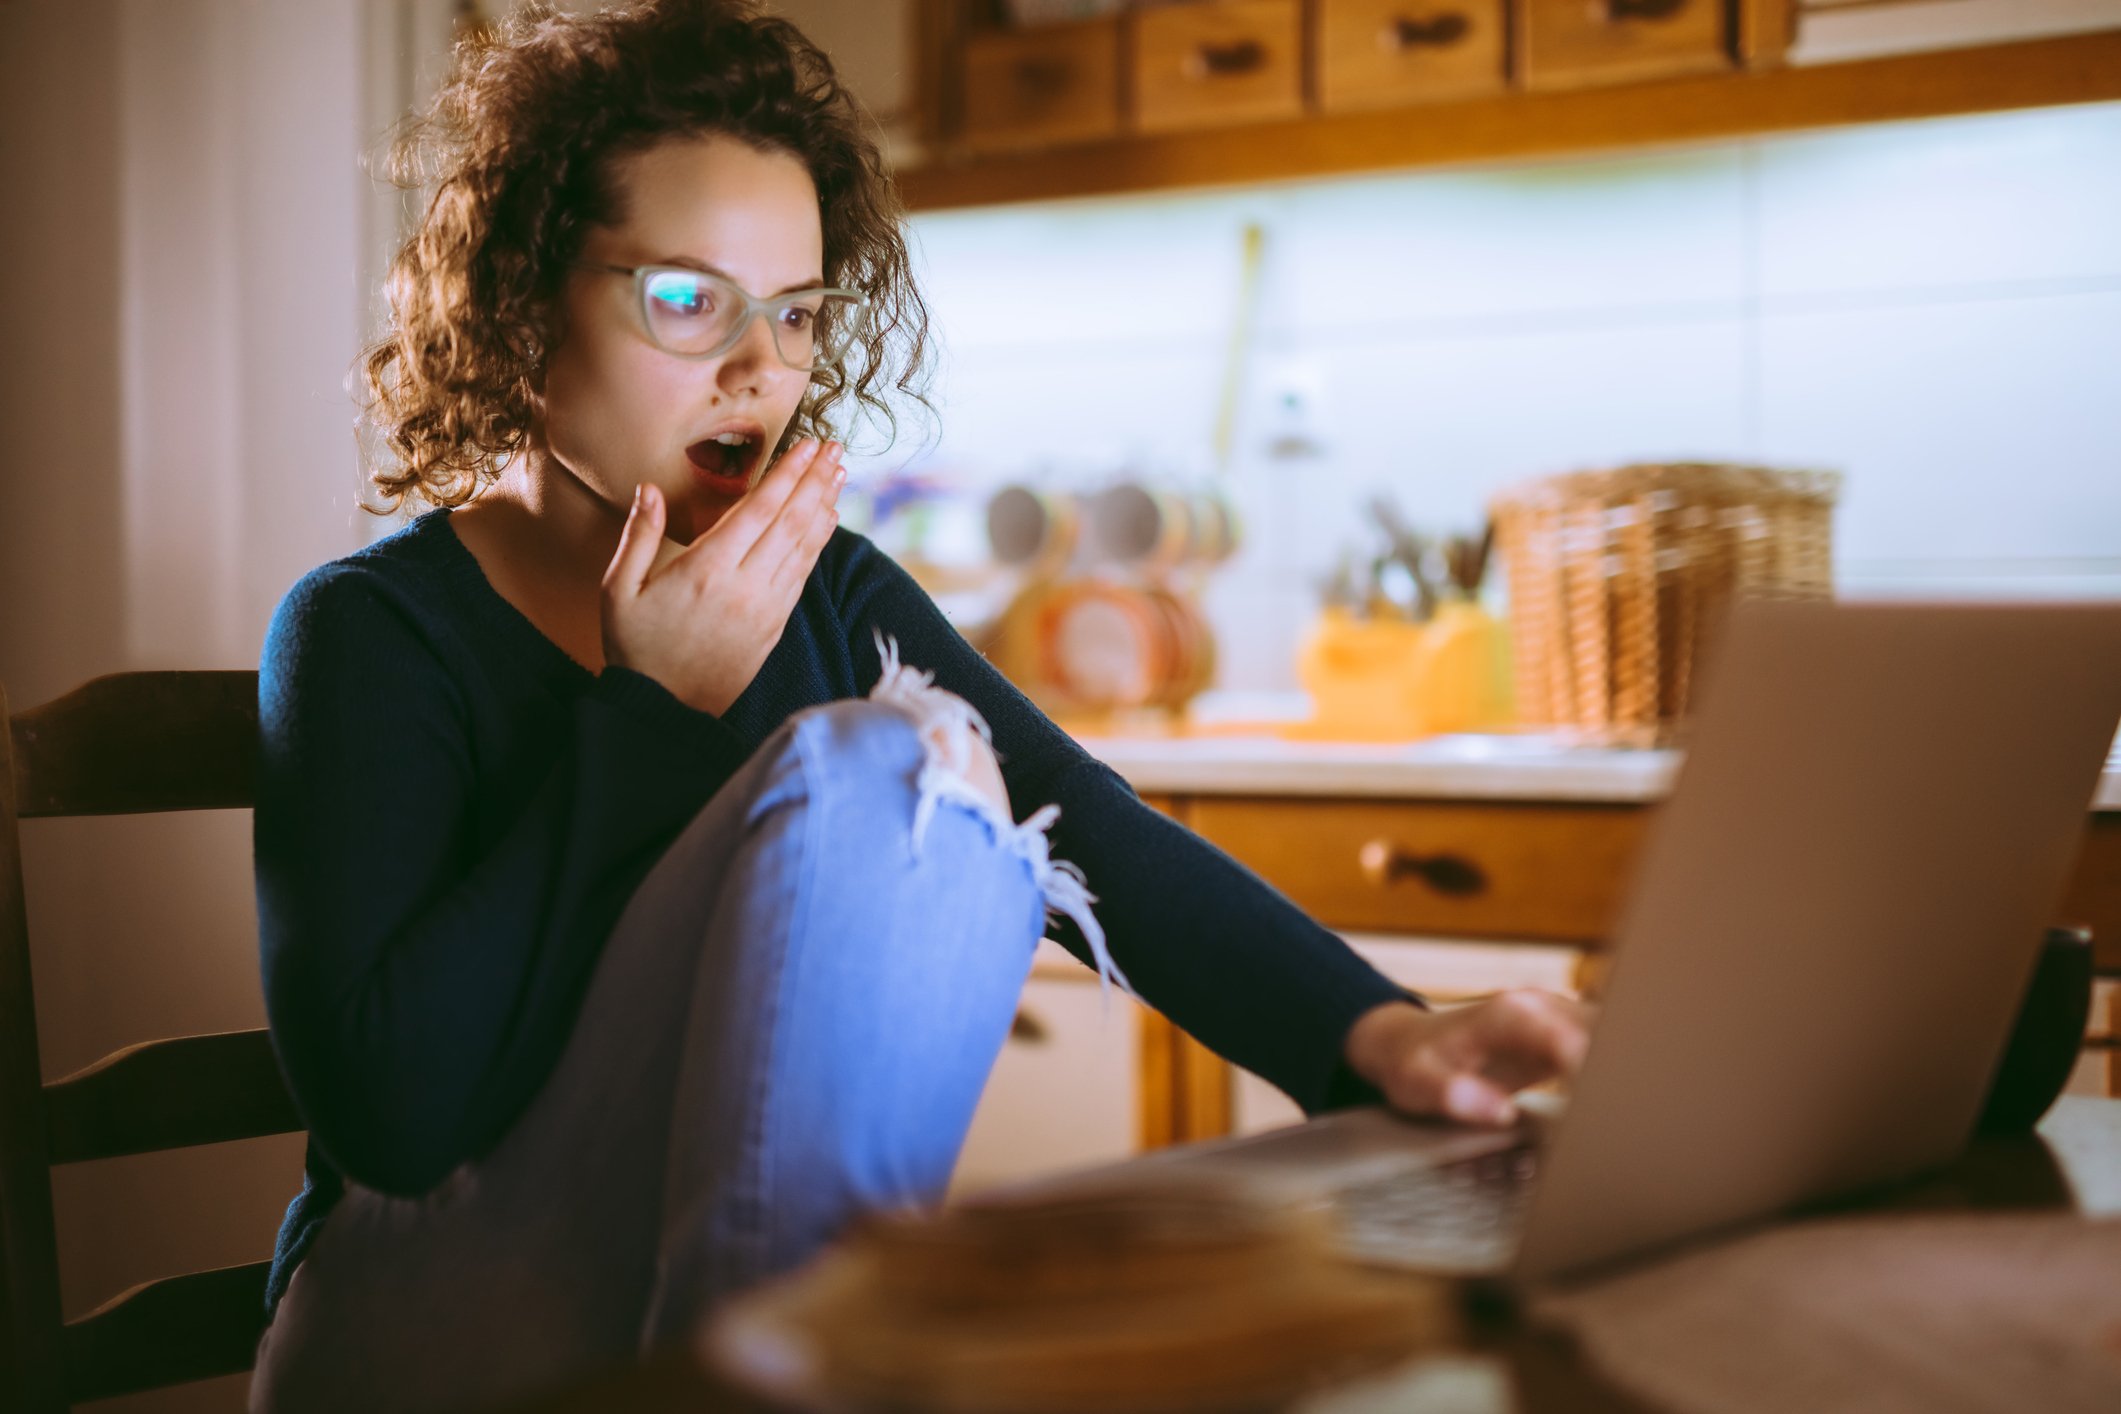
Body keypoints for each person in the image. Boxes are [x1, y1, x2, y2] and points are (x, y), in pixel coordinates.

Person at [247, 2, 1591, 1409]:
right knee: (895, 756)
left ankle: (787, 1372)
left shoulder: (829, 593)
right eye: (688, 300)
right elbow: (396, 1118)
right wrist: (649, 706)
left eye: (797, 311)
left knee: (949, 766)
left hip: (678, 1320)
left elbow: (1094, 834)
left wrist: (1380, 1034)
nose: (760, 366)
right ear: (522, 304)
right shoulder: (371, 631)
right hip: (407, 1341)